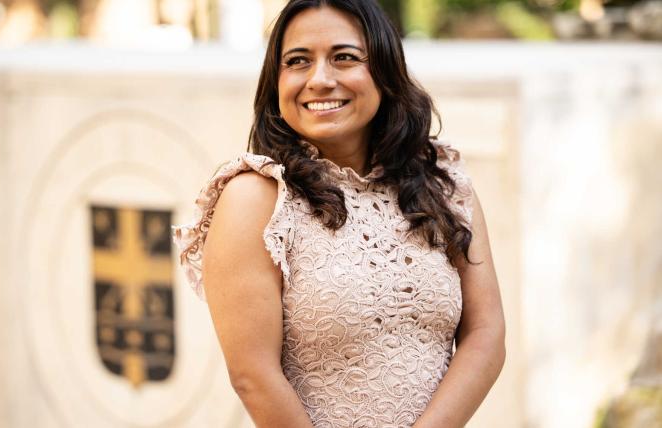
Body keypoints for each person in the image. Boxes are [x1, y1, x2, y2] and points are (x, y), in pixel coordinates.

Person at [172, 0, 505, 426]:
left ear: (384, 71)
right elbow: (253, 375)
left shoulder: (443, 183)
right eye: (298, 61)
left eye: (344, 58)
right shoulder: (255, 198)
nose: (320, 80)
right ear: (276, 81)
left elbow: (486, 334)